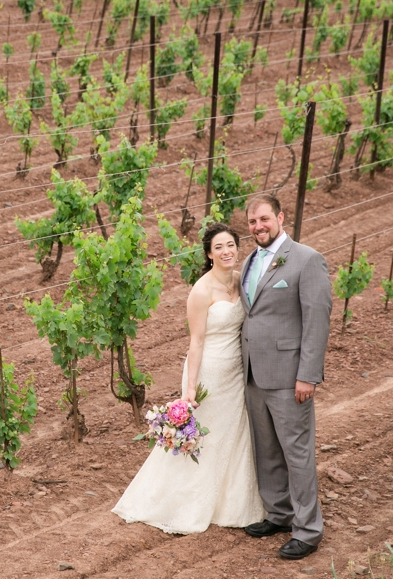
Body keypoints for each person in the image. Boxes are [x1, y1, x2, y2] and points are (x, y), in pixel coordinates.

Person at [112, 223, 265, 534]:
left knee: (233, 434)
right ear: (209, 254)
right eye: (219, 247)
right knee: (204, 437)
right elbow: (196, 341)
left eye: (231, 245)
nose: (226, 251)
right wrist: (190, 389)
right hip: (209, 371)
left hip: (237, 371)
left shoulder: (241, 281)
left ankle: (229, 503)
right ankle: (182, 502)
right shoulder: (201, 290)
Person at [239, 195, 332, 560]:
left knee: (297, 454)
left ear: (279, 217)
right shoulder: (249, 261)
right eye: (252, 222)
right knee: (267, 450)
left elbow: (317, 321)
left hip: (290, 376)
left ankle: (308, 531)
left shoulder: (307, 260)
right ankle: (279, 514)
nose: (258, 226)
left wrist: (308, 376)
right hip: (253, 373)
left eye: (264, 219)